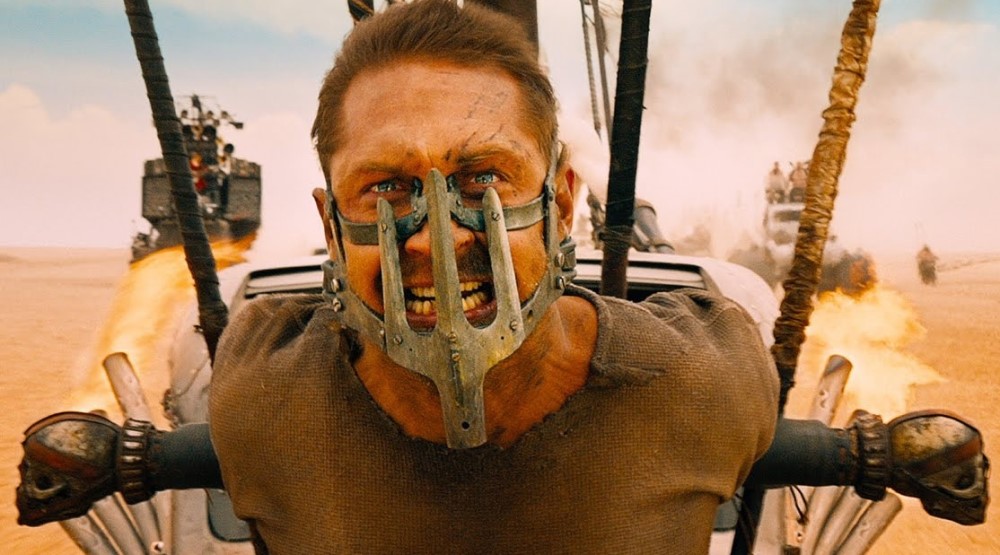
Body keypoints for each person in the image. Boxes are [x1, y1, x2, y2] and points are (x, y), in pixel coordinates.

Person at [15, 1, 989, 552]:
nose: (439, 237)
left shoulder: (701, 379)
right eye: (386, 188)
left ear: (561, 200)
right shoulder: (262, 394)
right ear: (329, 224)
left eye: (483, 177)